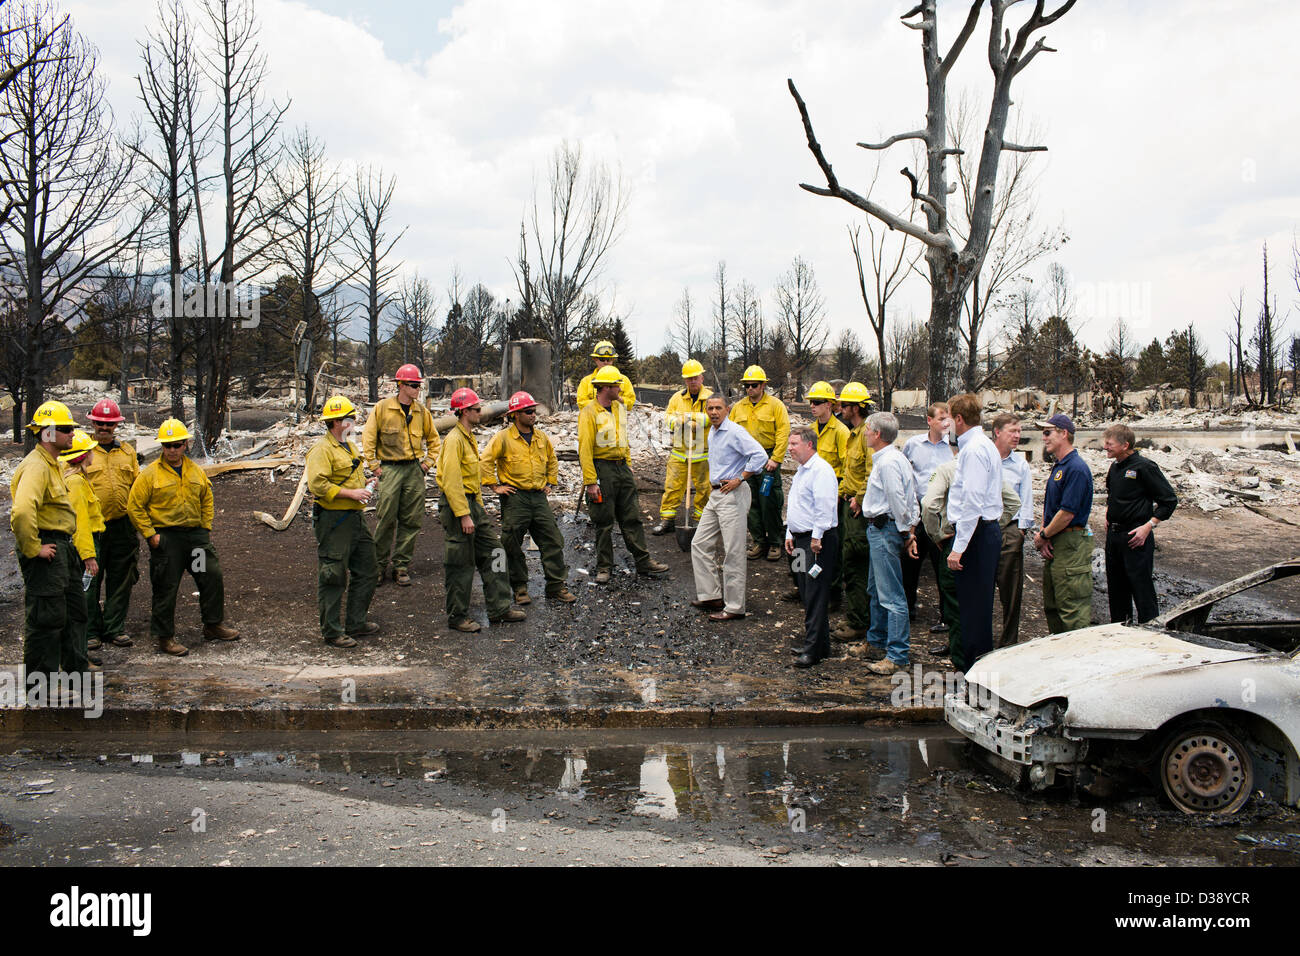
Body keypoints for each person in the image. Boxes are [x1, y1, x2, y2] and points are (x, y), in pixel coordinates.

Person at [127, 419, 240, 656]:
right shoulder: (150, 475)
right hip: (168, 541)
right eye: (167, 445)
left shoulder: (195, 471)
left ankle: (213, 625)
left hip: (195, 540)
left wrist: (205, 527)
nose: (172, 450)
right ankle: (165, 637)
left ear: (185, 445)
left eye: (176, 445)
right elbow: (135, 507)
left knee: (209, 576)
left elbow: (206, 498)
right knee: (166, 587)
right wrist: (151, 535)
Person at [435, 388, 526, 632]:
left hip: (472, 504)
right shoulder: (454, 440)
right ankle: (457, 616)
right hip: (459, 506)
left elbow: (472, 479)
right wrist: (463, 514)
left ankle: (499, 608)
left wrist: (478, 509)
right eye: (476, 409)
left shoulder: (468, 436)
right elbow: (452, 480)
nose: (480, 413)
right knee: (461, 563)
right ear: (464, 412)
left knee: (496, 553)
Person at [10, 401, 89, 679]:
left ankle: (74, 673)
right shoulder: (36, 467)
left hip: (61, 547)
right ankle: (41, 689)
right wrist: (34, 549)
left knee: (73, 611)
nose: (72, 434)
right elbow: (21, 512)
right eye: (66, 429)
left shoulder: (52, 464)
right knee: (47, 618)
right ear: (46, 433)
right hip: (48, 547)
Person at [922, 458, 1022, 672]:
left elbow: (929, 505)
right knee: (981, 602)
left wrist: (937, 536)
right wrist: (990, 526)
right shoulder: (989, 467)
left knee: (956, 606)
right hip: (982, 541)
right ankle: (981, 660)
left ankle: (963, 665)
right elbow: (1013, 502)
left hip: (955, 539)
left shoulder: (946, 468)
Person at [483, 391, 576, 605]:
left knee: (552, 540)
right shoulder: (503, 438)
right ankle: (520, 588)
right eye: (528, 411)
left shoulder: (541, 437)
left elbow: (552, 459)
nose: (533, 415)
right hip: (516, 498)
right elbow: (485, 461)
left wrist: (550, 482)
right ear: (516, 414)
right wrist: (495, 486)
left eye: (534, 411)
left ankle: (556, 586)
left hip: (538, 498)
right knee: (511, 543)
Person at [578, 366, 670, 583]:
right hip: (602, 469)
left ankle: (643, 562)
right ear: (606, 387)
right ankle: (604, 567)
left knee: (632, 518)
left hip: (621, 469)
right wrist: (591, 482)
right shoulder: (589, 412)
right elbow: (585, 449)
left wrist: (628, 464)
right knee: (603, 520)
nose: (621, 388)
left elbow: (623, 439)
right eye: (617, 385)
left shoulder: (619, 409)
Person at [305, 395, 380, 648]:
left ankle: (356, 622)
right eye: (350, 419)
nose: (354, 423)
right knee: (333, 574)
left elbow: (349, 477)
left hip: (355, 518)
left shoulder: (349, 446)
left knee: (369, 567)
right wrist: (351, 493)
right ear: (337, 422)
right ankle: (332, 631)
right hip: (333, 520)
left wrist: (366, 484)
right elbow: (317, 484)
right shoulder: (322, 450)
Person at [690, 393, 769, 621]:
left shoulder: (734, 432)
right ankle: (710, 595)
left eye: (718, 408)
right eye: (710, 408)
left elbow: (759, 455)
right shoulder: (713, 433)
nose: (714, 412)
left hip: (732, 493)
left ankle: (734, 607)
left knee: (733, 551)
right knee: (700, 543)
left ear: (728, 410)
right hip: (716, 494)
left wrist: (741, 478)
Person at [361, 363, 440, 587]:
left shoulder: (421, 412)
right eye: (414, 385)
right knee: (386, 519)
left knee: (411, 520)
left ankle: (401, 566)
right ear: (401, 385)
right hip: (390, 469)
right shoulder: (382, 409)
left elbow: (434, 440)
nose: (417, 390)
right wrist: (375, 466)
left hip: (414, 470)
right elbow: (368, 438)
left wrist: (426, 465)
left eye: (418, 386)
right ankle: (378, 567)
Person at [944, 394, 1005, 665]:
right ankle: (976, 669)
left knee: (974, 610)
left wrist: (958, 548)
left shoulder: (975, 449)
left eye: (949, 418)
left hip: (977, 534)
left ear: (959, 419)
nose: (948, 425)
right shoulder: (982, 445)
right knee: (973, 607)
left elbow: (972, 502)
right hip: (980, 532)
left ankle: (975, 672)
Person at [860, 412, 919, 675]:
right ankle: (877, 641)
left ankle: (897, 654)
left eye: (867, 429)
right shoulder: (893, 459)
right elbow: (911, 494)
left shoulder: (888, 463)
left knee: (891, 595)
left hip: (886, 529)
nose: (864, 433)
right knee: (876, 588)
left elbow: (898, 497)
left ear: (877, 434)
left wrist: (906, 531)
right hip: (881, 530)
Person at [1103, 423, 1177, 623]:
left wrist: (1149, 525)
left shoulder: (1145, 467)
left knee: (1141, 589)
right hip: (1114, 538)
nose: (1105, 447)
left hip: (1136, 538)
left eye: (1109, 444)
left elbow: (1169, 500)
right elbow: (1113, 495)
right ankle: (1120, 630)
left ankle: (1151, 632)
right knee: (1117, 591)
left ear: (1125, 445)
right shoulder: (1115, 467)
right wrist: (1110, 513)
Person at [83, 398, 139, 650]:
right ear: (92, 423)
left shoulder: (127, 452)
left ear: (116, 425)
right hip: (92, 528)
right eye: (99, 423)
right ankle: (90, 631)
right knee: (90, 581)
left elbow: (137, 487)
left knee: (122, 578)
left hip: (122, 526)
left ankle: (114, 628)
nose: (103, 428)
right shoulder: (81, 452)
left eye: (109, 424)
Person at [1033, 412, 1095, 634]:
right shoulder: (1060, 467)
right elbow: (1051, 507)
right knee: (1054, 605)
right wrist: (1045, 532)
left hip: (1070, 543)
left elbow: (1067, 513)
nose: (1044, 438)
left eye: (1048, 433)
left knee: (1071, 609)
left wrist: (1044, 535)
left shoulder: (1076, 468)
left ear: (1064, 433)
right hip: (1056, 540)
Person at [784, 426, 840, 668]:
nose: (790, 448)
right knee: (805, 589)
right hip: (799, 540)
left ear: (809, 445)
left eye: (794, 444)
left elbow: (824, 507)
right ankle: (820, 643)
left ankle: (813, 649)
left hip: (816, 542)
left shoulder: (821, 471)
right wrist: (789, 531)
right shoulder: (801, 471)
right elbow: (797, 504)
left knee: (815, 592)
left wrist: (817, 538)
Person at [901, 401, 954, 632]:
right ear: (929, 420)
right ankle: (908, 607)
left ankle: (946, 615)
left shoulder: (952, 448)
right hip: (917, 513)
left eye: (948, 418)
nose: (946, 422)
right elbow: (906, 475)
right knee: (910, 563)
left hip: (941, 516)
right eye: (941, 418)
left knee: (942, 566)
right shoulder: (913, 445)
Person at [729, 364, 790, 561]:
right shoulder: (738, 408)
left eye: (754, 385)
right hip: (746, 460)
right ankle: (758, 541)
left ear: (763, 385)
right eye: (747, 385)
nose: (750, 389)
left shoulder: (775, 406)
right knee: (750, 500)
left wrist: (775, 459)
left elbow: (783, 433)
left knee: (769, 500)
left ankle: (774, 542)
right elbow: (730, 434)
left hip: (767, 458)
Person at [831, 382, 874, 642]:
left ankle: (859, 622)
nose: (841, 409)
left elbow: (870, 472)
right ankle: (858, 616)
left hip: (859, 512)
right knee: (849, 563)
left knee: (855, 565)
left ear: (857, 407)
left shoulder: (867, 434)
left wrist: (859, 498)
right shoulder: (854, 433)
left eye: (844, 405)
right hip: (849, 504)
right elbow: (851, 473)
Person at [653, 359, 712, 536]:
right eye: (689, 378)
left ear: (701, 377)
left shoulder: (710, 397)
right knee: (672, 486)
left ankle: (699, 520)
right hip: (679, 453)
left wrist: (693, 420)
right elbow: (667, 418)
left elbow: (715, 416)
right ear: (685, 380)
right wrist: (678, 421)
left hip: (703, 453)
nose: (692, 381)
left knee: (704, 488)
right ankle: (667, 520)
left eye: (695, 377)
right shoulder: (676, 398)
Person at [61, 429, 104, 666]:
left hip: (83, 546)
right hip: (83, 548)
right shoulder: (76, 482)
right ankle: (77, 658)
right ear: (84, 455)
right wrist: (89, 556)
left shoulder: (76, 478)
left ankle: (79, 655)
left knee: (80, 603)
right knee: (80, 604)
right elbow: (80, 523)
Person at [991, 414, 1033, 647]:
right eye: (1012, 431)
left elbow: (1026, 500)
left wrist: (1021, 531)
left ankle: (1008, 642)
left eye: (1019, 431)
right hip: (984, 528)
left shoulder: (1020, 465)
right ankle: (980, 639)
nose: (1017, 436)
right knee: (981, 588)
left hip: (1010, 530)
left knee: (1011, 590)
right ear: (997, 432)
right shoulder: (984, 457)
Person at [806, 381, 849, 607]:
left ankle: (833, 591)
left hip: (833, 493)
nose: (812, 406)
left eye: (817, 402)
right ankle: (809, 584)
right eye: (811, 402)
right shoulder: (810, 431)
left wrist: (840, 493)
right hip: (812, 492)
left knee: (831, 541)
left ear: (830, 405)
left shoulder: (841, 432)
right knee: (811, 538)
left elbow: (847, 465)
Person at [575, 340, 636, 410]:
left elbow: (630, 403)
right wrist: (603, 402)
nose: (606, 362)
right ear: (595, 359)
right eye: (602, 359)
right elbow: (581, 404)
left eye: (609, 359)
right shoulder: (586, 381)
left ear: (613, 359)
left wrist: (617, 398)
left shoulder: (623, 380)